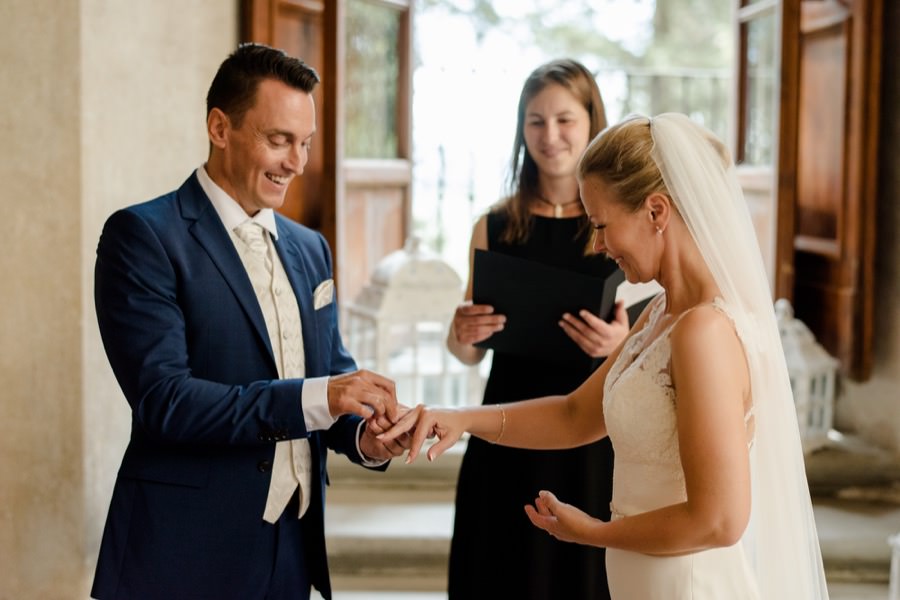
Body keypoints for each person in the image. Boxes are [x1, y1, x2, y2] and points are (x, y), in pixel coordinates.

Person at [385, 113, 830, 599]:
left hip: (688, 585)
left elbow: (719, 520)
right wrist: (462, 419)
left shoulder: (704, 330)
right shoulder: (663, 311)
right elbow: (577, 414)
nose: (597, 245)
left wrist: (592, 533)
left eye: (601, 225)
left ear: (656, 212)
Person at [91, 43, 409, 600]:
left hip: (290, 554)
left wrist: (366, 437)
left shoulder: (310, 249)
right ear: (220, 127)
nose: (298, 162)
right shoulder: (144, 237)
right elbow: (166, 401)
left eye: (305, 142)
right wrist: (323, 397)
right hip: (181, 553)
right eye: (279, 140)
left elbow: (327, 376)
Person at [444, 59, 628, 600]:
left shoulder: (619, 221)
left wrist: (618, 346)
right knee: (500, 567)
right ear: (521, 131)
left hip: (593, 427)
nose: (550, 136)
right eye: (536, 121)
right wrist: (462, 332)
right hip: (506, 422)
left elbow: (656, 337)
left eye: (565, 120)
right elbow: (469, 355)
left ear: (594, 121)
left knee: (580, 579)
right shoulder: (494, 225)